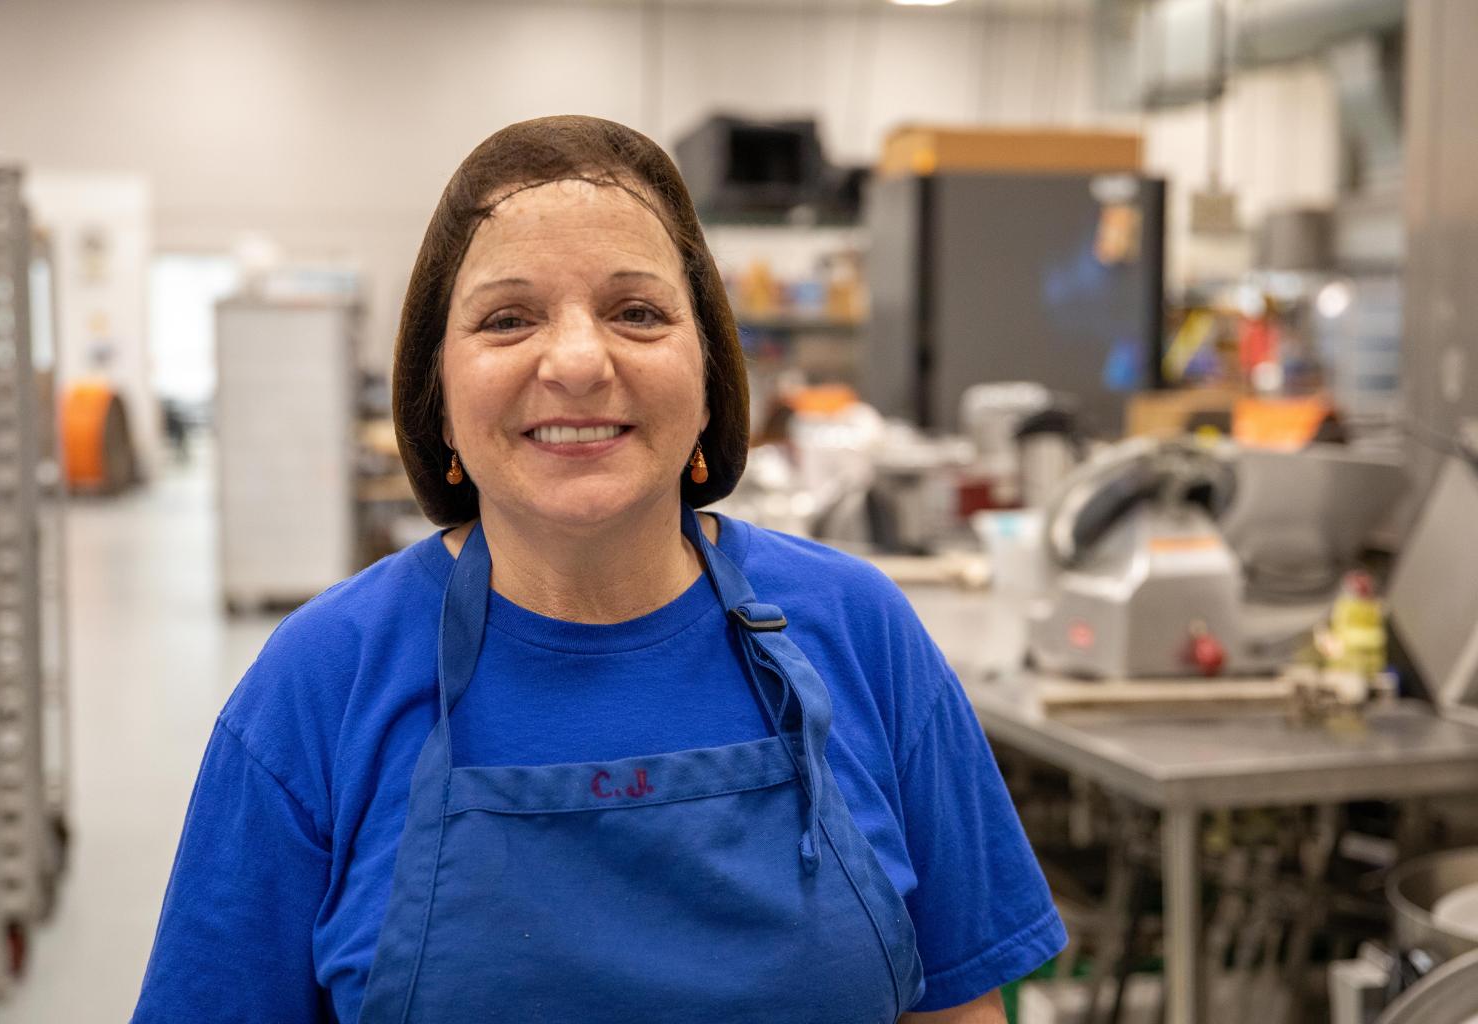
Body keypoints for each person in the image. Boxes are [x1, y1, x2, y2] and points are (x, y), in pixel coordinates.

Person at [132, 115, 1065, 1023]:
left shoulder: (861, 631)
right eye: (508, 319)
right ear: (440, 398)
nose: (577, 362)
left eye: (637, 312)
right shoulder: (320, 681)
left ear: (709, 378)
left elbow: (957, 1007)